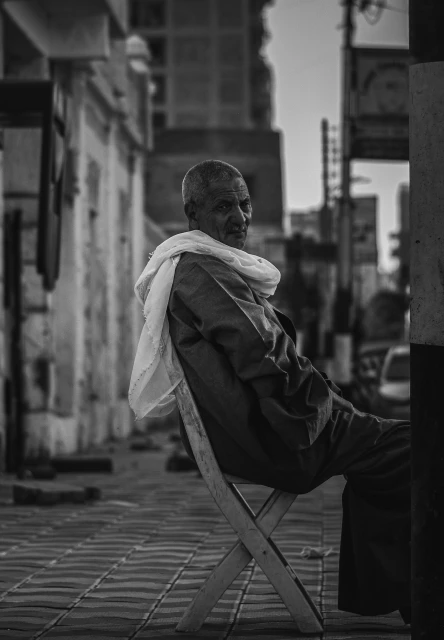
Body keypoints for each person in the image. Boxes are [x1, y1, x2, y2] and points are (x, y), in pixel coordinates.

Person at [129, 160, 411, 624]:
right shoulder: (200, 269)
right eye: (224, 206)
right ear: (192, 212)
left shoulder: (205, 265)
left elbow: (268, 355)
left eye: (244, 203)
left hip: (268, 429)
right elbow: (263, 354)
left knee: (393, 454)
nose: (240, 216)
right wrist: (325, 411)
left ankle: (398, 591)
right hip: (276, 436)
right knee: (416, 450)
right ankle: (413, 593)